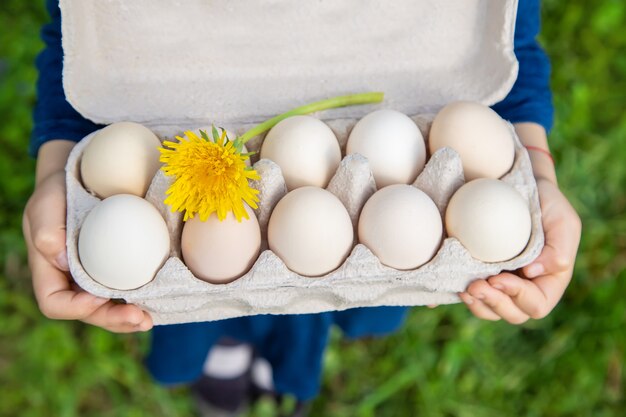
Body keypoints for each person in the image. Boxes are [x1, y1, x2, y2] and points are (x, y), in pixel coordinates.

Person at [23, 0, 581, 415]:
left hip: (371, 216)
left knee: (334, 277)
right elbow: (85, 30)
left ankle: (278, 353)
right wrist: (57, 170)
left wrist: (536, 166)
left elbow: (507, 36)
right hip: (194, 176)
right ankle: (228, 345)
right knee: (209, 292)